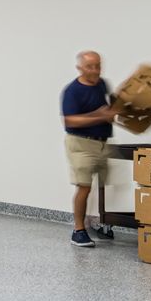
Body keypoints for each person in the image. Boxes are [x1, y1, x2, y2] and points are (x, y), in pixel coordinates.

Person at [61, 50, 117, 249]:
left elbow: (109, 109)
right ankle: (78, 231)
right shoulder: (72, 91)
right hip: (80, 143)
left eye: (98, 66)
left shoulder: (102, 84)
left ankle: (98, 223)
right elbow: (70, 120)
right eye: (90, 67)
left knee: (105, 184)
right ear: (80, 68)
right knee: (84, 186)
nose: (95, 70)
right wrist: (100, 116)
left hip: (101, 142)